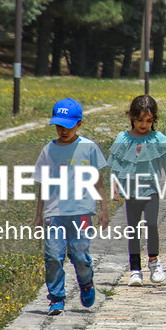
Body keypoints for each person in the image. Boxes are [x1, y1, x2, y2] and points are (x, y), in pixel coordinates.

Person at [108, 94, 166, 286]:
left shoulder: (157, 138)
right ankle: (135, 270)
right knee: (132, 231)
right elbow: (115, 164)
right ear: (131, 117)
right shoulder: (123, 138)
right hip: (131, 193)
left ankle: (154, 262)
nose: (143, 124)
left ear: (154, 120)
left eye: (148, 121)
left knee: (152, 226)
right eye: (140, 120)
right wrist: (114, 187)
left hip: (151, 192)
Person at [33, 98, 108, 315]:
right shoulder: (48, 151)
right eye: (59, 126)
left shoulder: (89, 148)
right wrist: (39, 214)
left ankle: (86, 283)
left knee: (79, 255)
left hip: (82, 212)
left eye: (68, 126)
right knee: (53, 256)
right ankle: (56, 297)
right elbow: (44, 184)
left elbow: (98, 180)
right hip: (55, 213)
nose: (63, 131)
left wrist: (103, 208)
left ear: (79, 124)